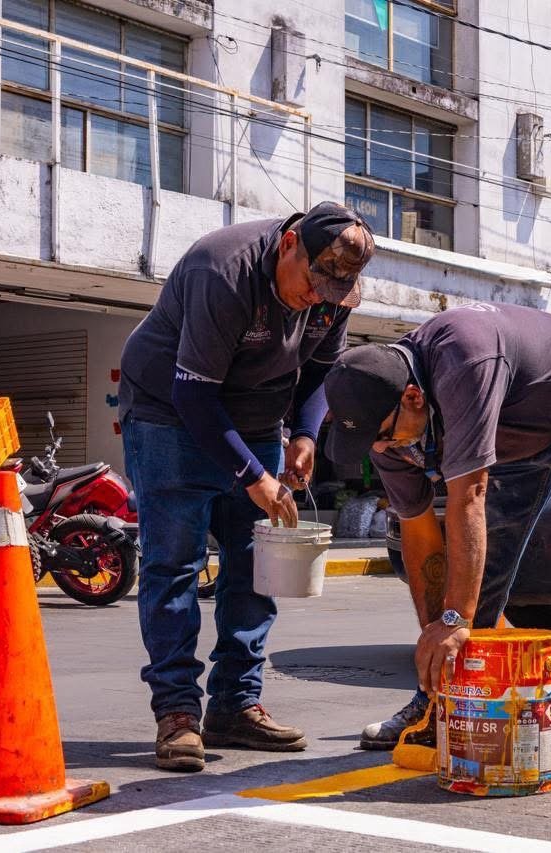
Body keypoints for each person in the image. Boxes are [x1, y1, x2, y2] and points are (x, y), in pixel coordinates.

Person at [323, 302, 551, 788]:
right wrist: (438, 636)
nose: (381, 451)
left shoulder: (465, 359)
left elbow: (470, 497)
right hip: (515, 430)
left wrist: (453, 621)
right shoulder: (383, 429)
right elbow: (423, 540)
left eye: (383, 437)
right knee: (478, 578)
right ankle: (438, 703)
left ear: (414, 398)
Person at [118, 202, 375, 773]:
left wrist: (305, 435)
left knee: (255, 566)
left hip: (257, 422)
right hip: (170, 413)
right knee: (175, 565)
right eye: (313, 282)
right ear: (289, 245)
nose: (318, 298)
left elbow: (318, 374)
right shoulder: (224, 270)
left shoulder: (331, 296)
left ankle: (236, 704)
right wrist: (252, 475)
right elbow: (194, 395)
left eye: (334, 291)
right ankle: (178, 712)